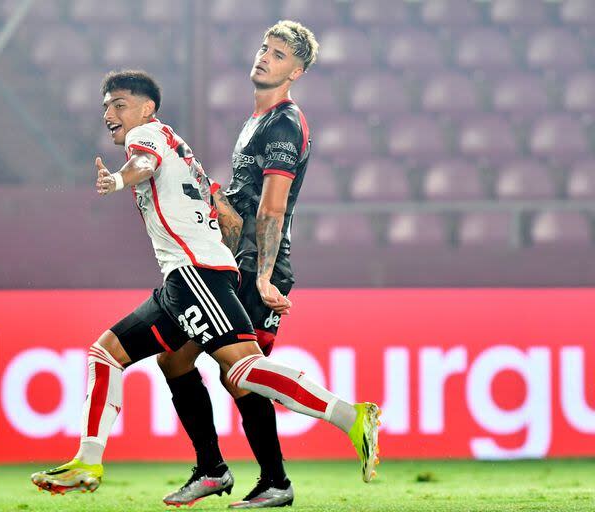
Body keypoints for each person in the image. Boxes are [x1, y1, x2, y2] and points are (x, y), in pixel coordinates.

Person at [29, 70, 380, 502]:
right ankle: (97, 460)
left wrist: (118, 179)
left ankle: (351, 417)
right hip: (192, 275)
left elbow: (143, 163)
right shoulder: (176, 144)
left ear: (146, 108)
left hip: (194, 275)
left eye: (119, 104)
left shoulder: (149, 135)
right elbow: (220, 210)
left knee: (243, 371)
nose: (109, 113)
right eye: (105, 106)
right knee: (123, 355)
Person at [158, 21, 362, 509]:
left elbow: (272, 208)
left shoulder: (285, 125)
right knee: (182, 360)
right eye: (263, 48)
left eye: (278, 53)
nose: (264, 57)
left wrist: (265, 275)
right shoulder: (256, 122)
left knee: (236, 371)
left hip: (257, 268)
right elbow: (248, 203)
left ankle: (267, 478)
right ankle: (223, 472)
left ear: (297, 70)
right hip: (236, 261)